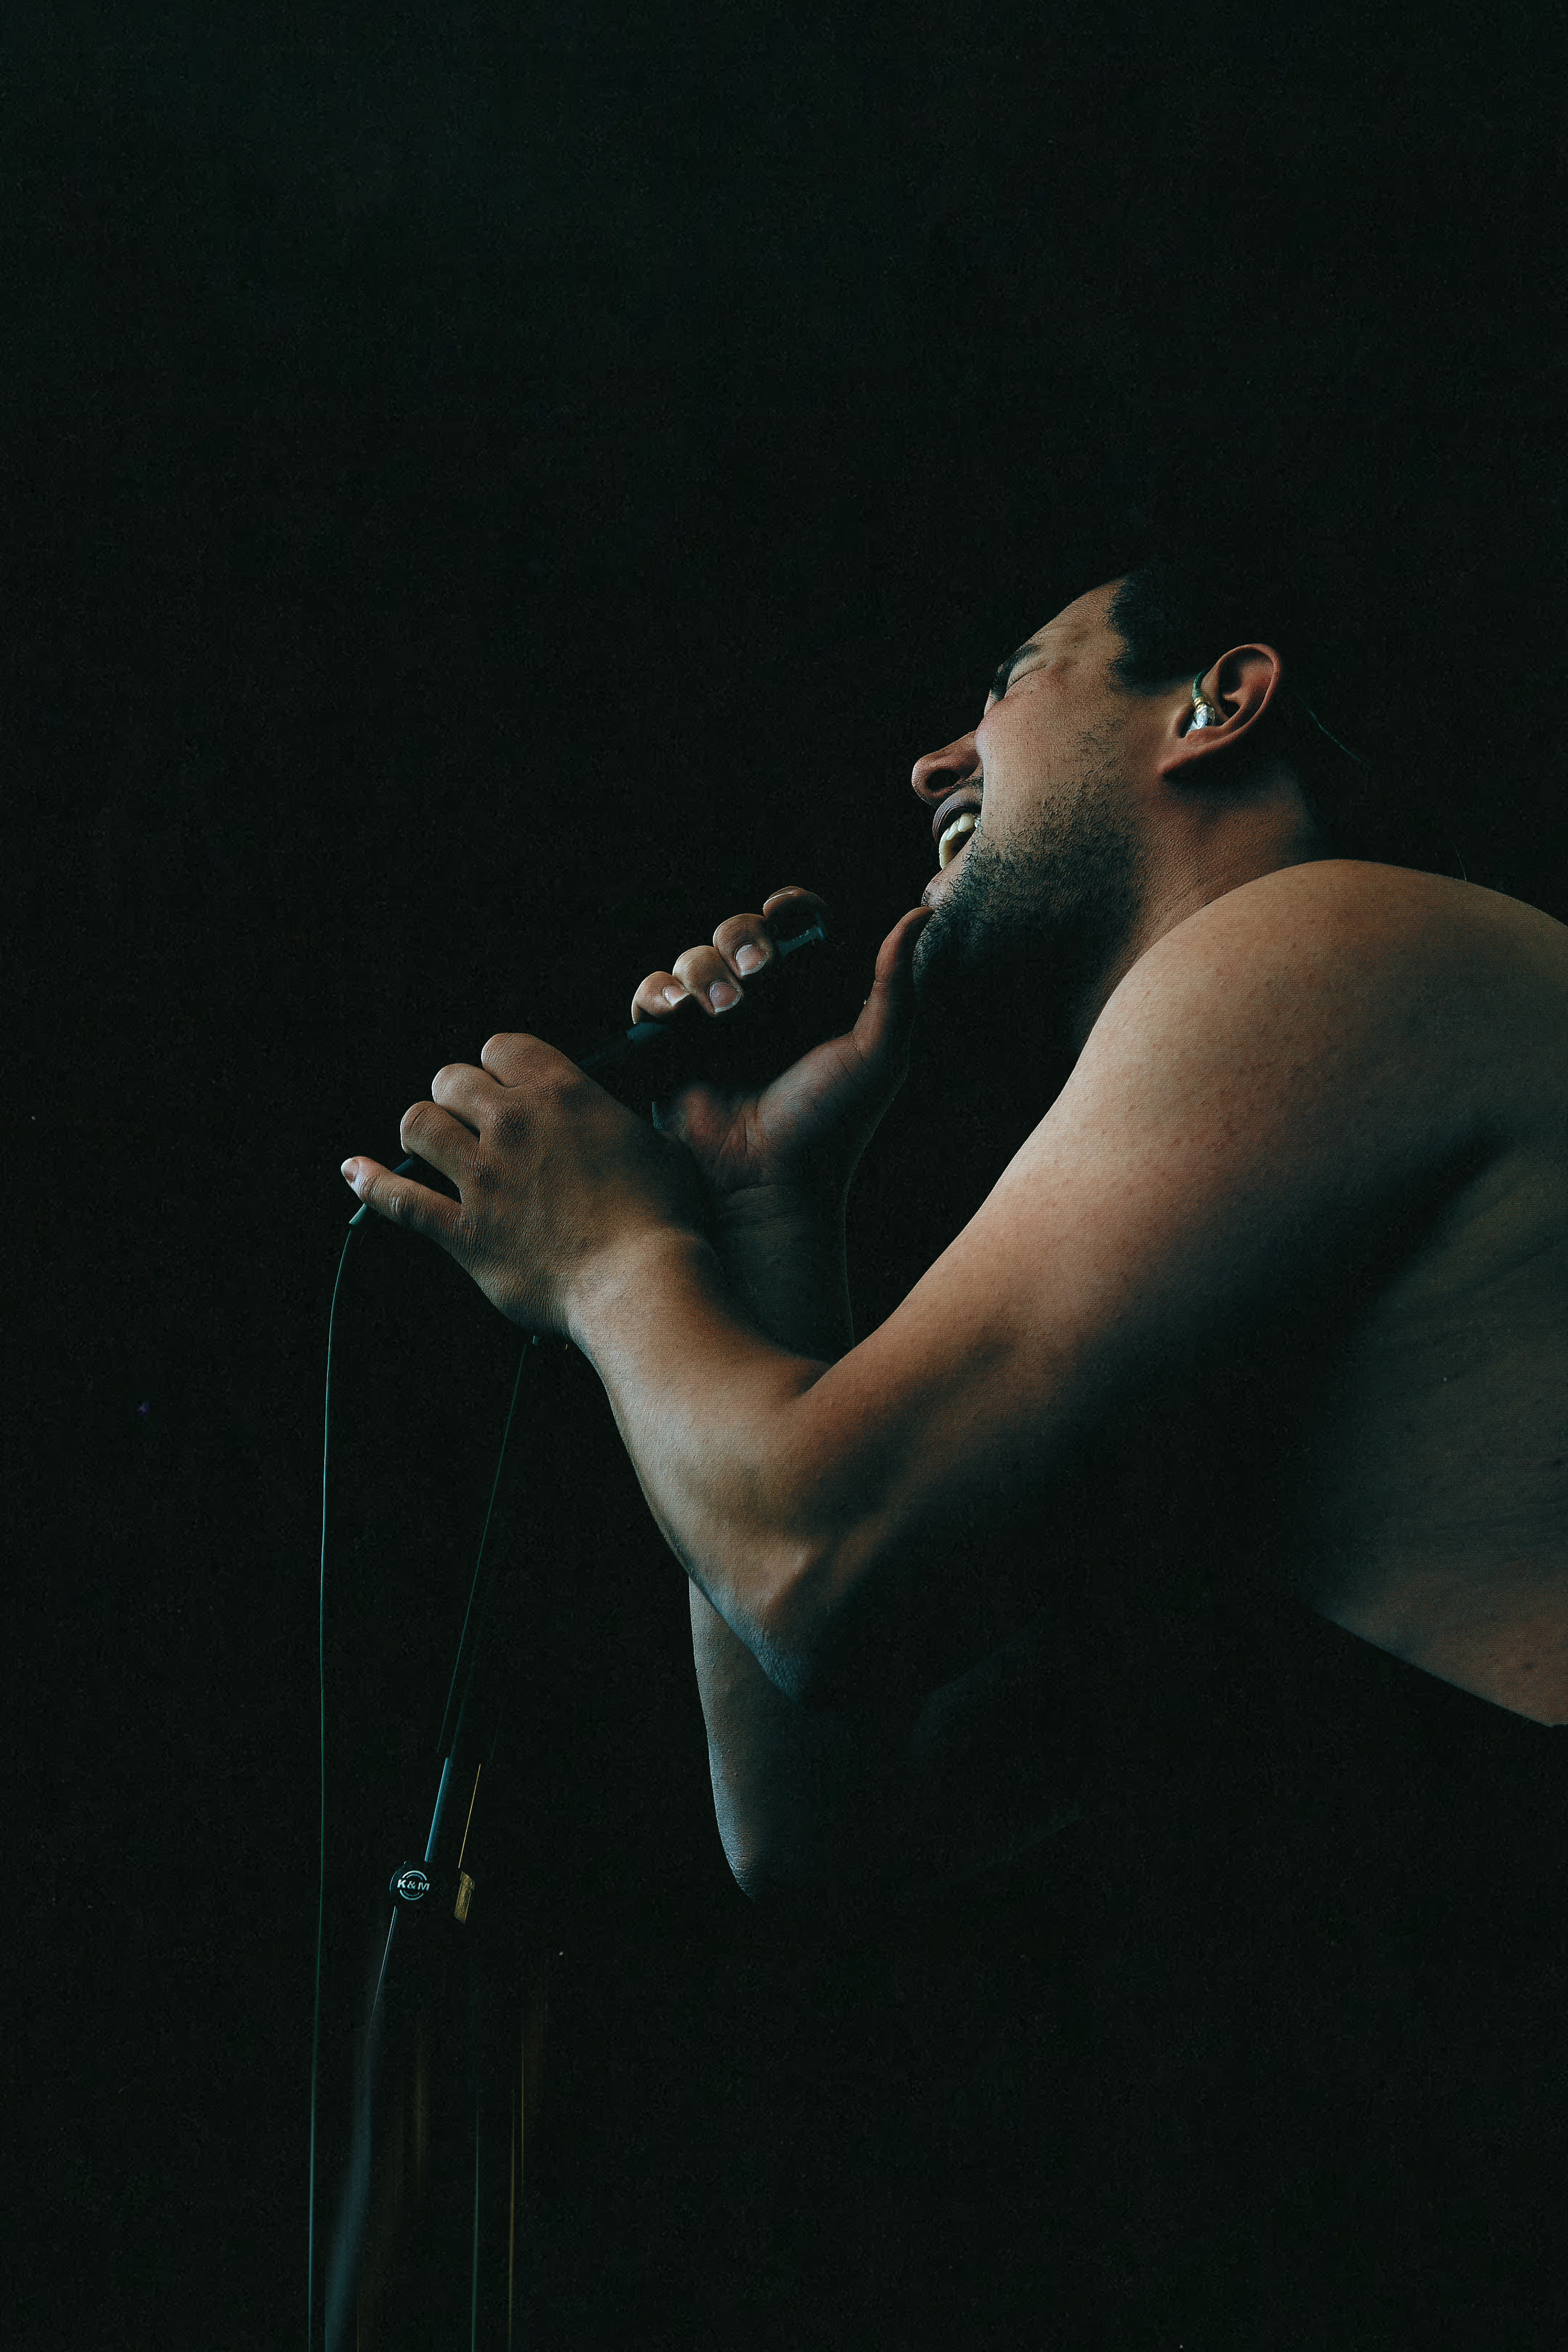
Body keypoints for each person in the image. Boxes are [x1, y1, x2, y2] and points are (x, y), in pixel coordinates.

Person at [342, 558, 1568, 2346]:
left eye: (1009, 678)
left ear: (1212, 706)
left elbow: (808, 1554)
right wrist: (760, 1204)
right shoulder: (1255, 1186)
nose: (932, 760)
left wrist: (608, 1256)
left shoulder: (1329, 940)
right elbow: (821, 1829)